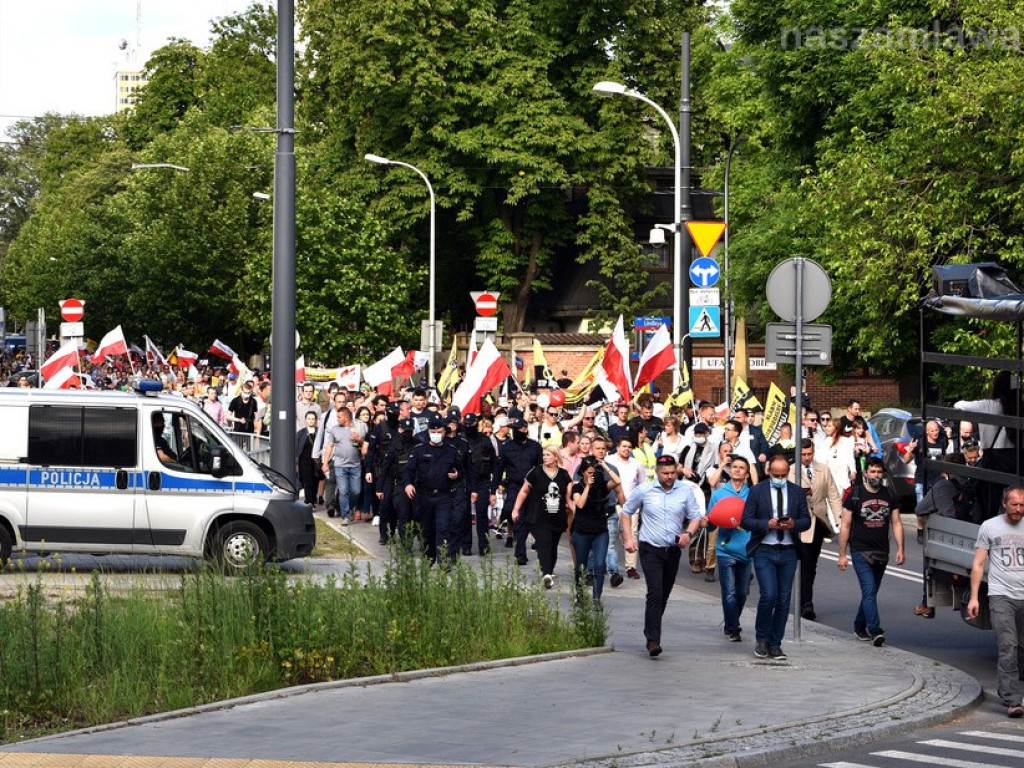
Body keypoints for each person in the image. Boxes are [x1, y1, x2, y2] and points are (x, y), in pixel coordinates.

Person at [622, 455, 704, 657]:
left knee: (664, 594)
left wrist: (688, 533)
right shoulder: (645, 490)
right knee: (655, 592)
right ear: (657, 473)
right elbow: (627, 511)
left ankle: (652, 626)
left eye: (672, 473)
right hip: (651, 547)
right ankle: (653, 639)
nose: (669, 477)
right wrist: (628, 539)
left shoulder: (685, 490)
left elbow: (695, 517)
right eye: (665, 473)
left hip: (673, 549)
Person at [741, 454, 811, 660]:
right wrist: (766, 524)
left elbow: (806, 520)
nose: (780, 478)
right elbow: (746, 520)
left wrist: (793, 524)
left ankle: (775, 643)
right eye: (776, 474)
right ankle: (761, 639)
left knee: (783, 599)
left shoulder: (796, 492)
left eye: (784, 475)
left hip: (788, 549)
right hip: (765, 548)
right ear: (769, 471)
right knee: (769, 595)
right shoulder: (757, 491)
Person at [968, 486, 1024, 718]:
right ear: (1004, 503)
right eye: (1014, 505)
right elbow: (979, 564)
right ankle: (1012, 700)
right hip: (1001, 595)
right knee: (1008, 646)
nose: (1019, 510)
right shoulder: (990, 527)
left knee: (1020, 649)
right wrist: (973, 597)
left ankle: (1007, 689)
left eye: (1022, 505)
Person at [838, 456, 905, 647]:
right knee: (868, 589)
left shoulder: (889, 494)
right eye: (872, 471)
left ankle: (859, 625)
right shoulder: (855, 494)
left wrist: (901, 548)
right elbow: (845, 526)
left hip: (881, 551)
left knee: (871, 592)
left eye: (879, 471)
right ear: (865, 473)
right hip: (860, 550)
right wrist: (842, 555)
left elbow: (897, 522)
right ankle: (875, 630)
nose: (876, 475)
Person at [790, 438, 842, 621]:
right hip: (796, 524)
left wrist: (839, 520)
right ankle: (795, 599)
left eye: (809, 454)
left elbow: (833, 495)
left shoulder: (823, 469)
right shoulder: (790, 471)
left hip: (817, 522)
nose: (806, 457)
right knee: (795, 563)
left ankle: (806, 603)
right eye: (803, 454)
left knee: (809, 565)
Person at [403, 415, 464, 564]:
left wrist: (457, 475)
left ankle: (444, 562)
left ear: (444, 432)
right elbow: (408, 470)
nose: (436, 434)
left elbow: (461, 470)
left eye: (439, 432)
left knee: (443, 529)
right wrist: (408, 484)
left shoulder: (451, 450)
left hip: (444, 496)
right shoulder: (419, 450)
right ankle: (428, 559)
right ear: (428, 432)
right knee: (426, 530)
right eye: (433, 431)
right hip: (424, 496)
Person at [511, 445, 572, 587]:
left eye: (548, 455)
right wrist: (516, 509)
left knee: (553, 546)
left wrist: (574, 509)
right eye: (544, 455)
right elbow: (524, 491)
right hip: (538, 517)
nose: (545, 457)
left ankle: (548, 570)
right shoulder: (536, 472)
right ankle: (546, 573)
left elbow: (568, 497)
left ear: (555, 457)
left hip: (557, 517)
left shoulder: (563, 475)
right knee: (544, 542)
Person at [709, 455, 752, 642]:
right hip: (725, 549)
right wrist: (707, 522)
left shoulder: (752, 495)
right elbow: (711, 522)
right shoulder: (719, 494)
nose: (737, 470)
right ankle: (733, 628)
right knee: (729, 592)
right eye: (734, 466)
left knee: (742, 593)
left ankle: (730, 621)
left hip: (746, 549)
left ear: (747, 474)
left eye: (741, 468)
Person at [571, 455, 625, 604]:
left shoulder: (602, 486)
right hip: (582, 531)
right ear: (582, 472)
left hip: (600, 531)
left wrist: (605, 467)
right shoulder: (577, 487)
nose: (592, 475)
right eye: (589, 472)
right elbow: (580, 504)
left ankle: (596, 598)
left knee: (600, 564)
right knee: (581, 566)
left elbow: (617, 482)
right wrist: (588, 486)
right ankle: (580, 594)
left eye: (593, 472)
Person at [495, 417, 543, 566]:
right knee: (518, 518)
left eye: (520, 429)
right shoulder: (506, 447)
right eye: (514, 429)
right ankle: (520, 553)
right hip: (515, 486)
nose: (517, 432)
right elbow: (499, 468)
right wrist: (494, 487)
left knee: (533, 519)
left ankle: (541, 549)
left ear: (525, 429)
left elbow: (540, 467)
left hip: (532, 488)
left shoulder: (535, 447)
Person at [607, 437, 648, 580]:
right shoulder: (609, 461)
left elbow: (643, 485)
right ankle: (609, 565)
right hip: (613, 503)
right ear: (618, 447)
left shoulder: (637, 464)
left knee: (631, 533)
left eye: (629, 446)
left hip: (631, 505)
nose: (626, 449)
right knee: (610, 534)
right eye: (624, 446)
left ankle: (631, 567)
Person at [321, 407, 364, 524]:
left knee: (356, 491)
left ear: (346, 417)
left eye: (339, 417)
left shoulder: (357, 427)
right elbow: (329, 446)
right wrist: (325, 463)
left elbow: (365, 444)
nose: (337, 419)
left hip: (355, 465)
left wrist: (359, 439)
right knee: (343, 491)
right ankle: (345, 515)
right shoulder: (334, 430)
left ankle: (350, 508)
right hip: (340, 465)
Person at [955, 371, 1016, 451]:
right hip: (1016, 457)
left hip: (993, 456)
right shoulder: (1019, 408)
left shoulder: (987, 405)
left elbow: (958, 405)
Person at [902, 418, 948, 503]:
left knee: (935, 506)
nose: (935, 433)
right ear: (927, 431)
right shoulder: (920, 443)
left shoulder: (941, 443)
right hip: (921, 480)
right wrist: (910, 450)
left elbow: (943, 458)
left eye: (936, 430)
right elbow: (906, 460)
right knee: (922, 507)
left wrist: (944, 472)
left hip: (936, 481)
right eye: (932, 431)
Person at [295, 411, 323, 508]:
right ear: (305, 420)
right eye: (309, 419)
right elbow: (297, 448)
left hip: (316, 461)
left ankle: (313, 499)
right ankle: (309, 501)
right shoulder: (301, 433)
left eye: (313, 419)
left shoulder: (319, 432)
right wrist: (296, 462)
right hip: (304, 461)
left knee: (315, 480)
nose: (311, 421)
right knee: (308, 481)